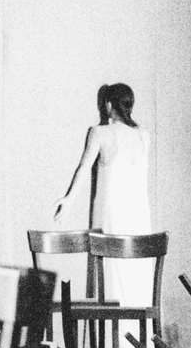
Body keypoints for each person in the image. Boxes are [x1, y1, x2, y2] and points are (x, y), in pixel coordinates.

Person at [54, 82, 152, 310]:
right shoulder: (144, 135)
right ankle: (136, 341)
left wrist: (68, 200)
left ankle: (108, 344)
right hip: (139, 219)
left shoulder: (100, 133)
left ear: (109, 105)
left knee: (109, 278)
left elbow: (83, 167)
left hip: (113, 217)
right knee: (135, 279)